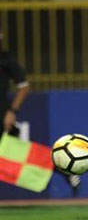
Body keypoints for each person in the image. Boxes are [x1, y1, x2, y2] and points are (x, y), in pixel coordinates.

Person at [0, 25, 81, 196]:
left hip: (2, 114)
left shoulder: (6, 59)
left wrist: (12, 111)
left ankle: (62, 167)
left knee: (19, 155)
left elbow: (23, 86)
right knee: (12, 155)